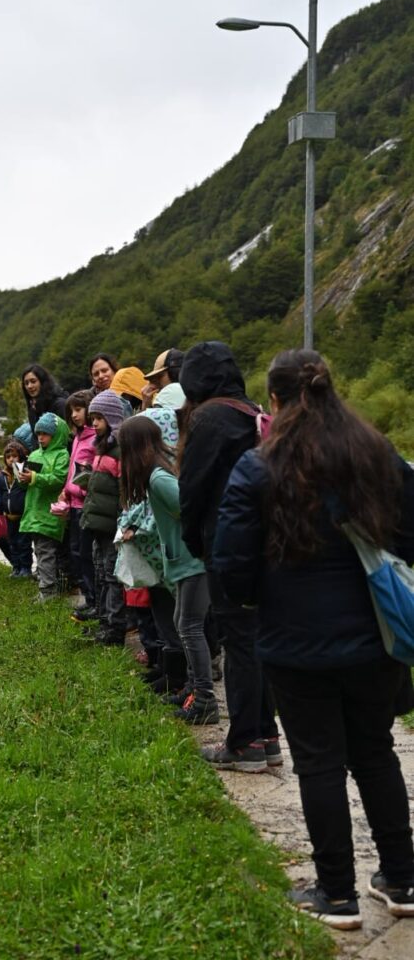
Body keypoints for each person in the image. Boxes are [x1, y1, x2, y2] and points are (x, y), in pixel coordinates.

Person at [213, 349, 414, 930]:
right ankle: (401, 878)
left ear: (272, 402)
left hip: (293, 640)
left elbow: (231, 563)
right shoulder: (376, 455)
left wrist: (258, 598)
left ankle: (337, 894)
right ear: (330, 391)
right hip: (377, 636)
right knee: (376, 752)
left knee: (320, 763)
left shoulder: (258, 467)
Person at [178, 340, 278, 771]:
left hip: (226, 541)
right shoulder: (250, 411)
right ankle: (267, 735)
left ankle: (243, 745)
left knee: (238, 642)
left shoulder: (210, 417)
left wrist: (192, 539)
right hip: (263, 541)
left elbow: (194, 487)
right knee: (256, 640)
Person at [119, 416, 216, 723]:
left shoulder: (158, 478)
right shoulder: (157, 473)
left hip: (191, 560)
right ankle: (191, 688)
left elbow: (187, 508)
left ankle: (204, 700)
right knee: (182, 622)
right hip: (185, 559)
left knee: (188, 627)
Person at [80, 390, 127, 646]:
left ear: (111, 417)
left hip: (111, 526)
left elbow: (122, 490)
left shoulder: (119, 450)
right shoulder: (101, 447)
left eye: (98, 418)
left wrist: (121, 522)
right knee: (100, 571)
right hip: (98, 523)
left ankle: (115, 628)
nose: (94, 423)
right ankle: (104, 622)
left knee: (111, 575)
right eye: (92, 418)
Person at [18, 412, 70, 602]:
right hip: (33, 510)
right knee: (39, 551)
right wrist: (23, 479)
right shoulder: (35, 454)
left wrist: (35, 477)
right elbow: (29, 481)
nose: (40, 437)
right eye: (38, 433)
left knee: (46, 552)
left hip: (50, 513)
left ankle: (48, 590)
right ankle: (46, 586)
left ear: (56, 435)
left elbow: (58, 479)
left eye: (45, 434)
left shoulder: (62, 455)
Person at [60, 391, 96, 617]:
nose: (74, 415)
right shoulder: (77, 438)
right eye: (71, 411)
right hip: (73, 504)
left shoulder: (94, 438)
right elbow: (73, 470)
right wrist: (66, 490)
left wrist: (77, 490)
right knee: (76, 552)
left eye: (79, 409)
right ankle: (88, 596)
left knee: (86, 554)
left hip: (86, 504)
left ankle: (94, 599)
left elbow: (91, 474)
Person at [0, 439, 33, 577]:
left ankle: (26, 568)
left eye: (14, 456)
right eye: (8, 457)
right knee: (12, 542)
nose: (11, 459)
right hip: (8, 516)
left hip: (23, 515)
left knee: (24, 543)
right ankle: (16, 567)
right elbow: (0, 492)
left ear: (21, 457)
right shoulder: (2, 476)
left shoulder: (23, 474)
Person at [21, 364, 67, 433]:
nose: (29, 386)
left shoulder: (59, 405)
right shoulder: (33, 409)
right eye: (26, 383)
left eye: (33, 381)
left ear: (42, 382)